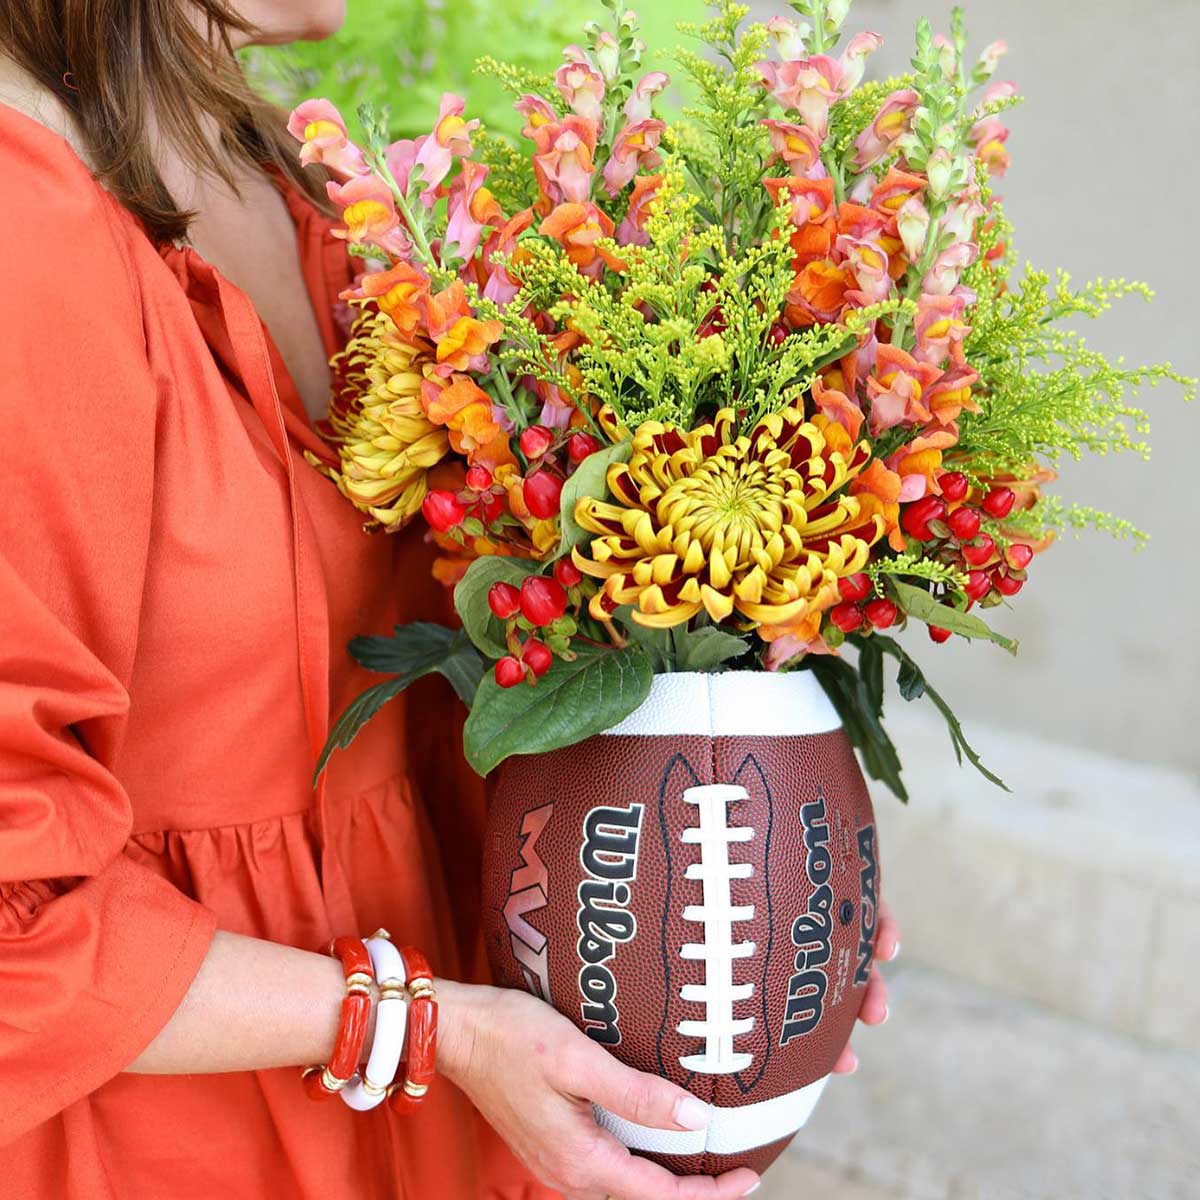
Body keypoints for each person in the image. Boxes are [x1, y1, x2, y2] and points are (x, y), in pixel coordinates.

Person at [0, 2, 899, 1197]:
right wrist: (427, 1027)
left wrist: (735, 867)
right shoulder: (27, 237)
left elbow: (423, 694)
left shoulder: (287, 176)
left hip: (429, 1082)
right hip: (163, 1137)